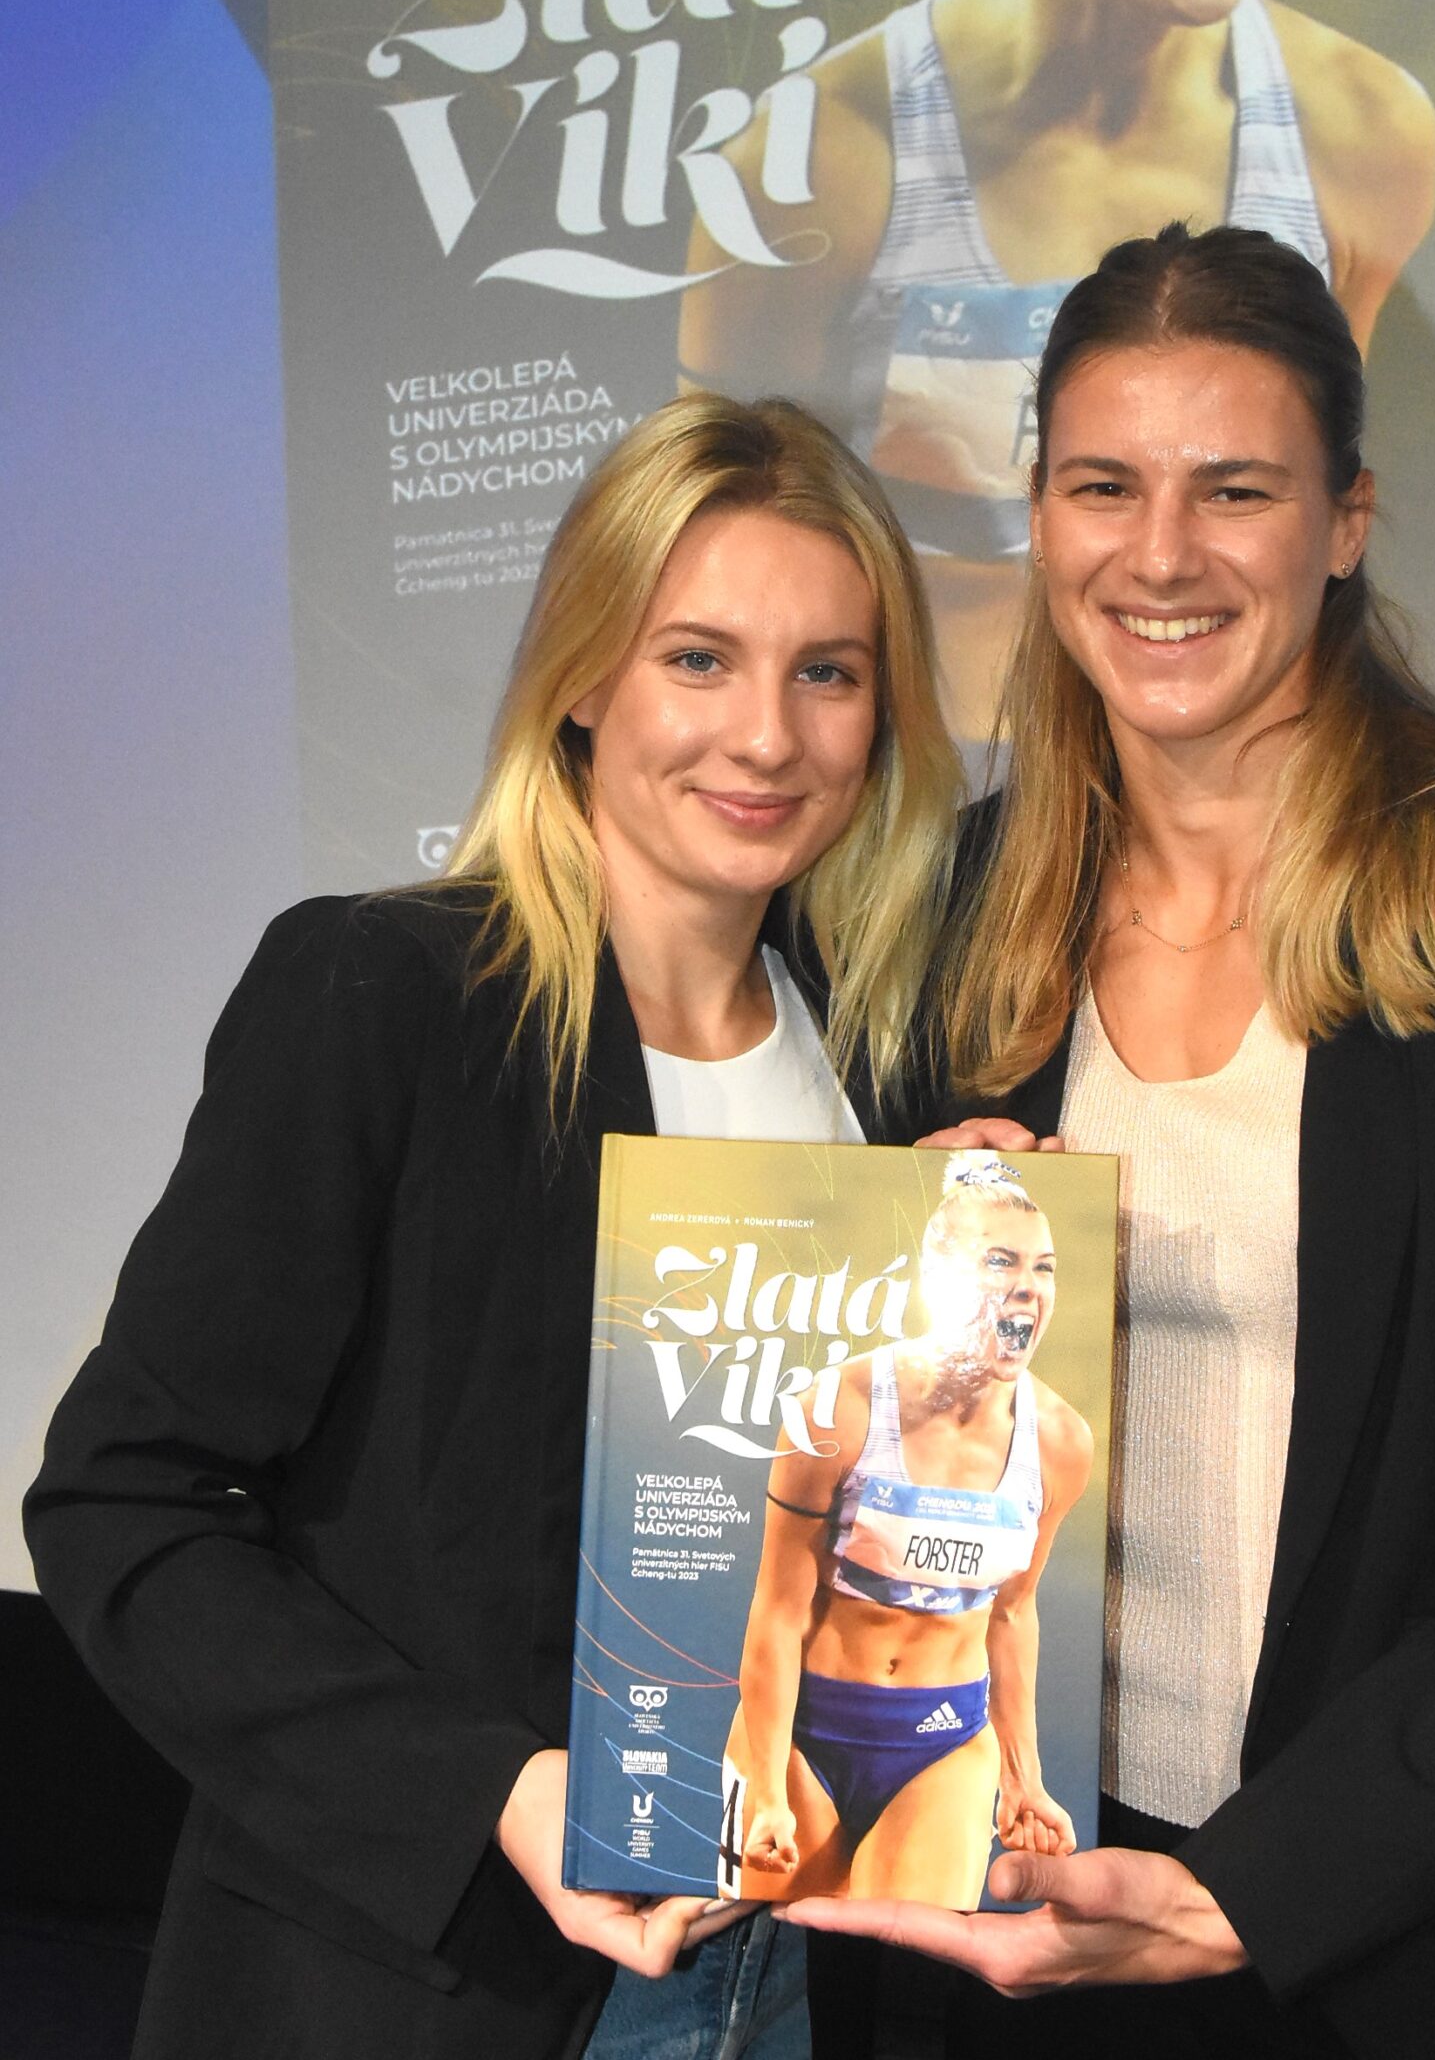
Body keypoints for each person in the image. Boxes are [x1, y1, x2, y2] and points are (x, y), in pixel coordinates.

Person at [787, 224, 1435, 2060]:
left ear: (1347, 520)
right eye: (1102, 486)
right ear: (1040, 515)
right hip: (1036, 1934)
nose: (1160, 555)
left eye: (1234, 489)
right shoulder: (936, 920)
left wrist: (1260, 1890)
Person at [23, 394, 962, 2060]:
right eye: (698, 659)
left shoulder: (882, 1065)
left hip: (799, 1977)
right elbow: (123, 1505)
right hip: (443, 1976)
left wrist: (968, 1265)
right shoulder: (388, 1000)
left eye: (827, 671)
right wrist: (496, 1796)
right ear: (583, 678)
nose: (765, 736)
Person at [680, 0, 1435, 736]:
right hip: (934, 793)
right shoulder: (819, 154)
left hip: (1242, 783)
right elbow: (719, 550)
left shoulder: (1363, 126)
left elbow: (1308, 533)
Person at [720, 1149, 1092, 1912]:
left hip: (943, 1742)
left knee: (903, 1949)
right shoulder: (837, 1407)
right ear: (941, 1277)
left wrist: (1023, 1778)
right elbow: (777, 1612)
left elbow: (1013, 1613)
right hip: (802, 1735)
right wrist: (766, 1788)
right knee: (747, 1950)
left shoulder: (1060, 1442)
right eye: (1001, 1261)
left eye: (1044, 1268)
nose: (1028, 1285)